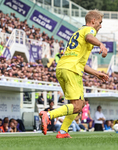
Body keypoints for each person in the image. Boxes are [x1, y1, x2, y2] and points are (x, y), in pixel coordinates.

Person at [39, 9, 108, 138]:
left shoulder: (78, 32)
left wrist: (96, 73)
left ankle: (63, 131)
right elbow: (90, 37)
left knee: (79, 104)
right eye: (100, 22)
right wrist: (101, 44)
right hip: (71, 70)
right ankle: (48, 115)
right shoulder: (89, 30)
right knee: (77, 105)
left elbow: (81, 63)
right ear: (93, 21)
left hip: (63, 68)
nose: (100, 25)